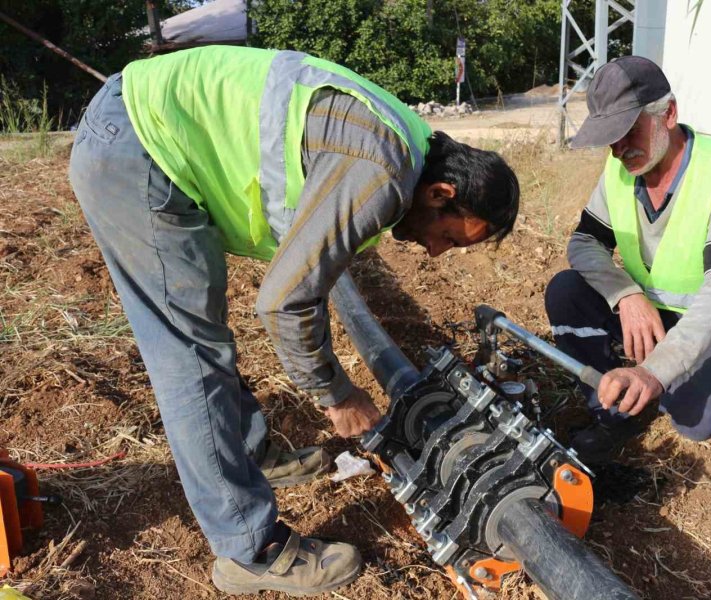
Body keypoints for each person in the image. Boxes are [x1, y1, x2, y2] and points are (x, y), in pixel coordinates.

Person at [68, 46, 519, 596]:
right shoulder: (382, 171)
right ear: (441, 192)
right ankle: (247, 551)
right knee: (190, 355)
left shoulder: (410, 143)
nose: (433, 253)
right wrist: (336, 392)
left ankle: (253, 454)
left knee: (201, 341)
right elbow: (284, 300)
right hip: (140, 150)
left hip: (141, 131)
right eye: (448, 237)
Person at [544, 56, 711, 466]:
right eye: (610, 139)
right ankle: (614, 406)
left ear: (668, 113)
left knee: (700, 416)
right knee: (566, 291)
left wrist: (655, 371)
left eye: (628, 132)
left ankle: (678, 379)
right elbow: (584, 242)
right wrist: (625, 296)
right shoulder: (620, 171)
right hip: (653, 312)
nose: (618, 151)